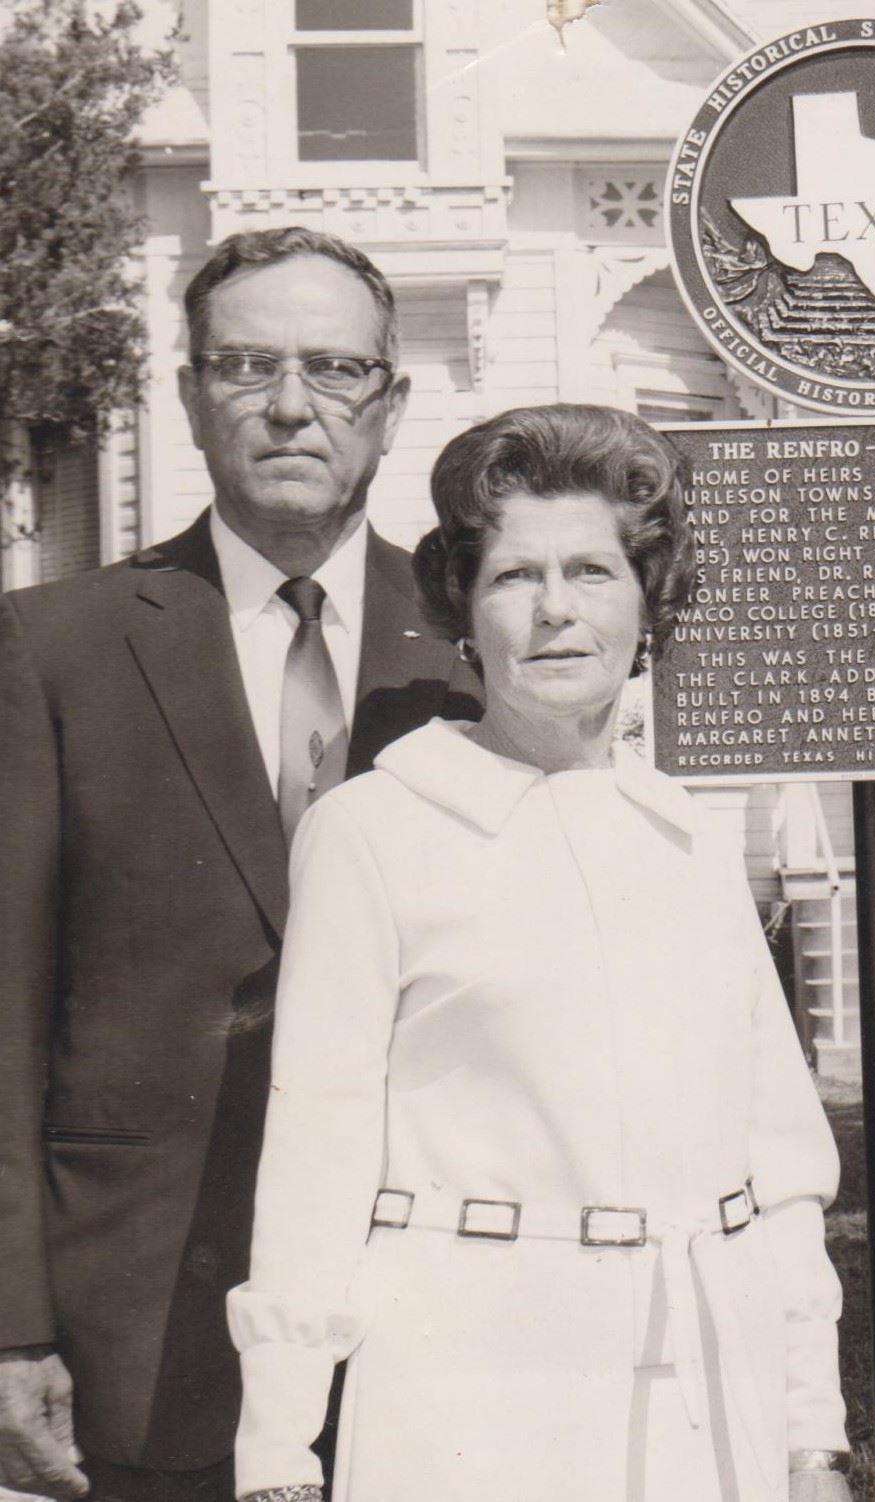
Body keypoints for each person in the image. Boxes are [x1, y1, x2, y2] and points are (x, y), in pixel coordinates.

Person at [226, 404, 853, 1502]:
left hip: (710, 1386)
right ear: (465, 606)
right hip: (472, 1389)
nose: (557, 609)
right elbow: (316, 1148)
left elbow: (782, 1169)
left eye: (593, 572)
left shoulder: (692, 834)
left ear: (647, 601)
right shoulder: (377, 830)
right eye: (515, 575)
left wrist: (811, 1439)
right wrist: (281, 1455)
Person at [0, 226, 480, 1502]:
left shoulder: (479, 654)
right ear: (188, 396)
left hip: (434, 1312)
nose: (288, 405)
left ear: (391, 404)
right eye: (244, 366)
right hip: (148, 1311)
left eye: (333, 368)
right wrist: (8, 1319)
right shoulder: (54, 649)